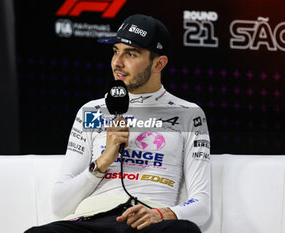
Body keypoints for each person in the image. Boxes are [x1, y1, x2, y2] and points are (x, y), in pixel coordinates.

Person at [25, 14, 211, 233]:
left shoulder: (189, 114)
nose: (117, 63)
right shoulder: (91, 111)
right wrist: (103, 161)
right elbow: (59, 205)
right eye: (115, 51)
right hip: (92, 221)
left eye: (130, 54)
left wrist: (163, 214)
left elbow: (201, 203)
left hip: (148, 221)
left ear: (159, 63)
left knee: (185, 231)